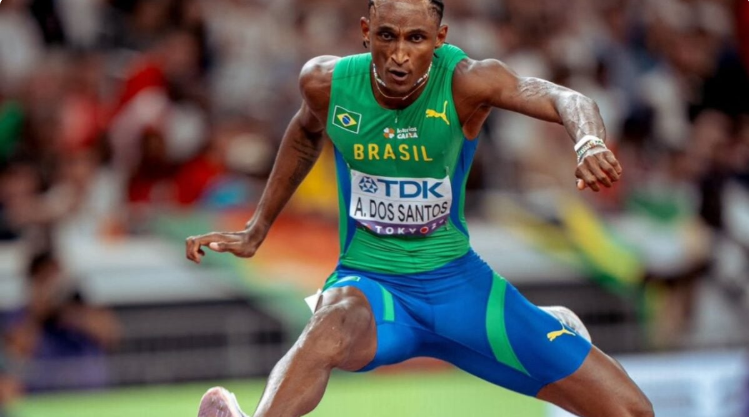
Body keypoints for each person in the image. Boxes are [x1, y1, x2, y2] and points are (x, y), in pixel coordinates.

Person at [186, 1, 653, 416]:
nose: (399, 54)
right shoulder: (327, 83)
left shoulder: (468, 81)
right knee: (329, 322)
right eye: (387, 36)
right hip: (372, 285)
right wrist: (257, 227)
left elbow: (567, 97)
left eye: (416, 39)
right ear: (366, 31)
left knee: (632, 410)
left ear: (440, 38)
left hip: (462, 291)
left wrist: (589, 142)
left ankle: (542, 325)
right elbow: (306, 133)